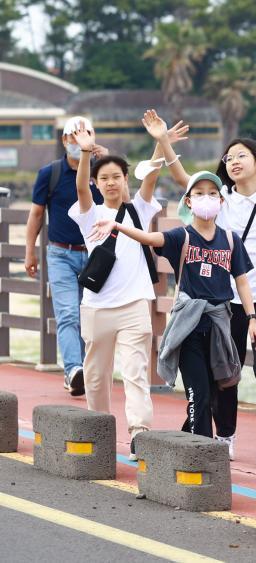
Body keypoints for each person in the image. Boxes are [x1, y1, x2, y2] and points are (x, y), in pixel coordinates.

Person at [87, 165, 256, 444]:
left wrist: (252, 318)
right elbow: (151, 239)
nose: (206, 198)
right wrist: (118, 226)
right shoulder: (181, 236)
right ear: (188, 202)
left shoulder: (231, 240)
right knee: (198, 393)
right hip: (188, 327)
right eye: (199, 193)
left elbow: (242, 282)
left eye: (212, 193)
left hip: (219, 327)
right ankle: (202, 451)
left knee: (215, 390)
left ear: (221, 201)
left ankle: (187, 442)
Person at [161, 135, 256, 464]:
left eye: (241, 156)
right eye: (229, 157)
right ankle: (225, 435)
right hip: (222, 303)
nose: (233, 161)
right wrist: (163, 141)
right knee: (225, 372)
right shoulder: (220, 197)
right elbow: (185, 180)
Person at [68, 113, 172, 459]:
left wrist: (159, 140)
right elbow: (80, 189)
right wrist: (86, 152)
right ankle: (98, 430)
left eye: (116, 177)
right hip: (97, 307)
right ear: (97, 183)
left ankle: (139, 432)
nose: (111, 183)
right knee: (96, 377)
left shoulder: (138, 209)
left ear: (126, 179)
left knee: (135, 372)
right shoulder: (90, 214)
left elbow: (152, 176)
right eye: (104, 178)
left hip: (134, 305)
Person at [25, 116, 108, 395]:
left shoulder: (101, 171)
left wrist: (109, 163)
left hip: (95, 255)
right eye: (73, 135)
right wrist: (30, 252)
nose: (79, 140)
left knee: (90, 317)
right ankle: (74, 369)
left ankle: (83, 370)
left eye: (86, 134)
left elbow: (121, 203)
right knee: (68, 313)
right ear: (64, 140)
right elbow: (36, 214)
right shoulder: (49, 173)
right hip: (60, 253)